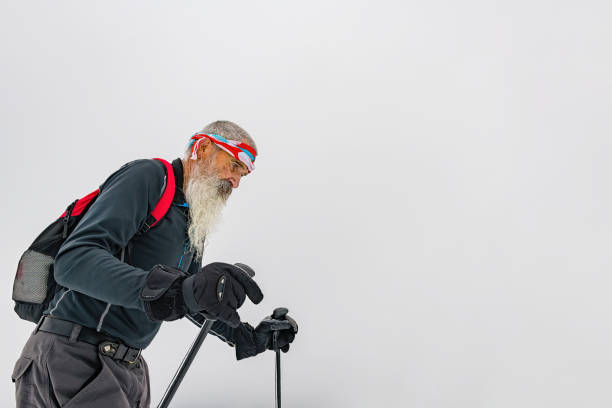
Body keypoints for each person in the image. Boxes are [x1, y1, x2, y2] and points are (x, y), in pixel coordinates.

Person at [11, 121, 298, 408]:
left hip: (126, 368)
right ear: (203, 147)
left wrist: (247, 337)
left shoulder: (191, 217)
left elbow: (191, 298)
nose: (235, 181)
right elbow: (74, 261)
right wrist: (171, 289)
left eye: (242, 175)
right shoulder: (149, 178)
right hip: (75, 356)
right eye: (233, 165)